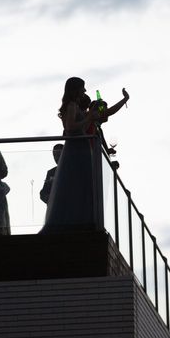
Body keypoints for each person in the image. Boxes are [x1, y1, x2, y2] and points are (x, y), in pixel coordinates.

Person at [41, 77, 129, 233]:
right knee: (78, 185)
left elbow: (106, 113)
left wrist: (124, 100)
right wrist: (88, 118)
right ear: (76, 89)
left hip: (82, 149)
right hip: (76, 149)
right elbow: (70, 128)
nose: (85, 90)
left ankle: (85, 219)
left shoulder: (80, 109)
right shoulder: (72, 106)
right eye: (83, 87)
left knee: (84, 186)